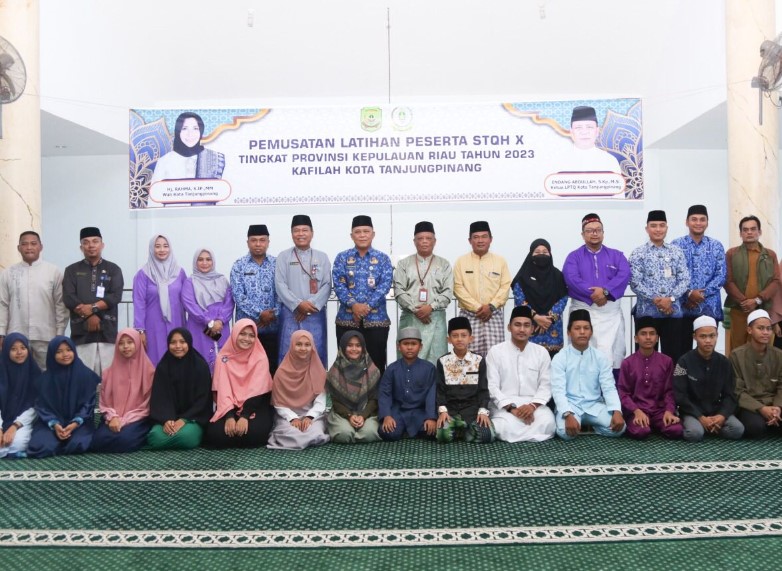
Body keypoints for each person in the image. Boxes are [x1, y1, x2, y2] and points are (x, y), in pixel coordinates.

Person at [563, 213, 631, 376]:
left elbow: (624, 275)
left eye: (598, 230)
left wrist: (605, 292)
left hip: (611, 313)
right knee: (581, 356)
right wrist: (595, 294)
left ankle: (612, 389)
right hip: (584, 311)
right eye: (589, 230)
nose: (594, 233)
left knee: (615, 353)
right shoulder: (573, 257)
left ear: (603, 233)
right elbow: (571, 278)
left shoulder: (617, 255)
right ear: (583, 234)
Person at [551, 309, 626, 441]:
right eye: (577, 328)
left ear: (591, 332)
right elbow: (558, 390)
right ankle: (582, 425)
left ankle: (591, 426)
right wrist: (567, 414)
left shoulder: (600, 357)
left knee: (620, 428)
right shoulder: (560, 358)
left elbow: (609, 387)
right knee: (564, 432)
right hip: (571, 406)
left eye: (586, 328)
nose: (582, 332)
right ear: (569, 332)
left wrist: (617, 411)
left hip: (594, 406)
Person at [333, 215, 394, 373]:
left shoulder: (383, 259)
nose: (362, 235)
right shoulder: (342, 258)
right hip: (347, 320)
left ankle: (376, 391)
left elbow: (385, 285)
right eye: (358, 232)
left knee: (376, 365)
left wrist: (365, 307)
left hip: (376, 321)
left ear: (373, 234)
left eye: (366, 231)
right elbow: (339, 284)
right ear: (351, 235)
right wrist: (353, 305)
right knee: (347, 366)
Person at [486, 307, 556, 442]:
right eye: (517, 325)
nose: (522, 329)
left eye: (526, 325)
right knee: (503, 425)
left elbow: (546, 385)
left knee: (548, 422)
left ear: (532, 329)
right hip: (505, 405)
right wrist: (512, 409)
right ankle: (529, 434)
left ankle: (518, 435)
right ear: (509, 327)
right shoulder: (496, 352)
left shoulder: (541, 352)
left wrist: (531, 406)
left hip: (533, 404)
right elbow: (492, 386)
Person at [0, 231, 69, 368]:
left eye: (33, 244)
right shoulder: (8, 273)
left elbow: (60, 305)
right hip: (16, 336)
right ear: (19, 248)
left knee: (46, 372)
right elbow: (3, 304)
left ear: (41, 247)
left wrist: (59, 333)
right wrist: (1, 333)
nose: (29, 247)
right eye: (24, 244)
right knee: (18, 374)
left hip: (46, 335)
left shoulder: (53, 271)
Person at [629, 210, 690, 363]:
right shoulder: (638, 253)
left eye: (662, 225)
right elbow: (635, 282)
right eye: (653, 225)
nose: (658, 229)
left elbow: (684, 279)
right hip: (647, 314)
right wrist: (656, 300)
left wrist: (670, 299)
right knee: (645, 358)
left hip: (672, 313)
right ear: (647, 229)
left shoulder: (676, 252)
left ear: (666, 228)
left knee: (674, 357)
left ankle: (674, 381)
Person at [62, 227, 125, 375]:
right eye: (86, 242)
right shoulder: (71, 270)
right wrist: (90, 315)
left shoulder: (113, 269)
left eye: (95, 241)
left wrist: (93, 308)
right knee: (83, 376)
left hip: (107, 332)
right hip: (81, 333)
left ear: (102, 245)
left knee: (109, 377)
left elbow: (115, 296)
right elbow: (69, 297)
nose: (91, 245)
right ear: (81, 247)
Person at [205, 319, 275, 449]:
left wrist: (245, 416)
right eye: (242, 334)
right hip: (228, 405)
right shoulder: (223, 358)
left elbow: (259, 391)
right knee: (215, 434)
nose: (246, 339)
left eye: (251, 335)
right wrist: (229, 416)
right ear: (235, 334)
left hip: (254, 405)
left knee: (255, 433)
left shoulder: (260, 357)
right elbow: (222, 390)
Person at [674, 316, 744, 442]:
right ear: (695, 337)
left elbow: (730, 394)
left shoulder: (724, 362)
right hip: (692, 411)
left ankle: (710, 426)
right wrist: (700, 417)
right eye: (703, 336)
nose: (708, 340)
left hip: (716, 410)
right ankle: (706, 427)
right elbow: (680, 395)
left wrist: (722, 415)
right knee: (694, 434)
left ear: (717, 336)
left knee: (737, 429)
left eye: (712, 336)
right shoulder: (684, 361)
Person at [27, 337, 99, 458]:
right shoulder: (44, 380)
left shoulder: (85, 375)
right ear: (52, 354)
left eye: (68, 350)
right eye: (59, 351)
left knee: (78, 444)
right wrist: (55, 424)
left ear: (74, 351)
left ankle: (60, 443)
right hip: (50, 424)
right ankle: (57, 441)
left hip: (79, 424)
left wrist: (75, 423)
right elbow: (41, 406)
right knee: (40, 446)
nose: (65, 354)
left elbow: (89, 404)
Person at [274, 215, 332, 367]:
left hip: (315, 313)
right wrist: (298, 304)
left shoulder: (322, 257)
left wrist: (310, 305)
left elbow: (327, 284)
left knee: (316, 350)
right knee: (288, 351)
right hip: (290, 313)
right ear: (291, 234)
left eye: (305, 230)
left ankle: (317, 383)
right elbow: (280, 284)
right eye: (296, 230)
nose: (301, 234)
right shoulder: (283, 256)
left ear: (312, 233)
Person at [393, 221, 453, 365]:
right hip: (410, 318)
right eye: (420, 238)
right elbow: (399, 290)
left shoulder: (444, 264)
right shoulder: (404, 264)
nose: (424, 241)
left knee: (436, 362)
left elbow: (448, 291)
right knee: (408, 361)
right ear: (414, 241)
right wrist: (416, 309)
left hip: (435, 318)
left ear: (434, 241)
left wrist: (430, 307)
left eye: (428, 238)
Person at [671, 205, 727, 359]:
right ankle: (681, 376)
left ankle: (708, 376)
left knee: (707, 351)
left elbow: (721, 275)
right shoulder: (676, 245)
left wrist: (700, 295)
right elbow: (672, 275)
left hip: (709, 307)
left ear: (707, 222)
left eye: (702, 219)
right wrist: (689, 294)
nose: (698, 223)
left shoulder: (716, 246)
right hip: (683, 307)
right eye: (694, 219)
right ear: (687, 222)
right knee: (681, 352)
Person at [617, 317, 682, 440]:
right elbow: (623, 393)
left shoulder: (666, 361)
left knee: (676, 430)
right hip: (637, 410)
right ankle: (647, 425)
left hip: (659, 411)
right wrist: (636, 411)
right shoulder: (627, 363)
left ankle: (656, 424)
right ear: (636, 338)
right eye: (643, 334)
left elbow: (669, 391)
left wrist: (669, 411)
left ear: (657, 338)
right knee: (641, 431)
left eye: (652, 334)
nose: (648, 337)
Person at [90, 329, 154, 453]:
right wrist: (113, 417)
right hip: (112, 419)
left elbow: (147, 405)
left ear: (137, 343)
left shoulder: (149, 372)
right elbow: (103, 402)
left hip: (138, 419)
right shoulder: (109, 373)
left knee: (125, 440)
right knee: (97, 441)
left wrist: (126, 420)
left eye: (130, 342)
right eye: (121, 343)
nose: (125, 347)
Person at [147, 328, 212, 450]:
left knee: (187, 437)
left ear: (189, 343)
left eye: (182, 342)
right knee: (155, 436)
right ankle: (174, 437)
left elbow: (203, 400)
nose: (178, 346)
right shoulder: (163, 367)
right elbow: (159, 399)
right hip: (168, 420)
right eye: (173, 342)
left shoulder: (200, 366)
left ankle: (175, 438)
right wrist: (166, 420)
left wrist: (184, 420)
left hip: (193, 419)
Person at [453, 221, 512, 357]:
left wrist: (490, 306)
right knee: (469, 357)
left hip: (493, 315)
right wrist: (478, 307)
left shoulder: (500, 261)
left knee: (496, 356)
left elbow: (505, 286)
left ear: (491, 239)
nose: (480, 240)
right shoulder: (461, 262)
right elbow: (457, 287)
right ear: (470, 240)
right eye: (476, 237)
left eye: (484, 236)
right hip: (469, 316)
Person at [724, 215, 780, 351]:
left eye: (753, 229)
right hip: (739, 309)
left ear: (759, 232)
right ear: (740, 233)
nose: (749, 232)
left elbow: (776, 281)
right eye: (745, 230)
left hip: (762, 309)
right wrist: (744, 302)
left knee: (761, 349)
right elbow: (727, 280)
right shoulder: (732, 254)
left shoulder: (770, 255)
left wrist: (757, 300)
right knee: (737, 349)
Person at [267, 330, 330, 450]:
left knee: (315, 431)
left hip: (312, 414)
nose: (303, 348)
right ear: (292, 345)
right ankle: (302, 439)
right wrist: (293, 418)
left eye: (307, 345)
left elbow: (320, 401)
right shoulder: (281, 372)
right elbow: (278, 403)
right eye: (299, 344)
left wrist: (310, 416)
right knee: (290, 432)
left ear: (312, 347)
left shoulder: (318, 370)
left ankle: (302, 439)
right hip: (287, 416)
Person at [230, 224, 280, 374]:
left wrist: (273, 314)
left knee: (271, 368)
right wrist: (260, 314)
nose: (258, 244)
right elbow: (238, 295)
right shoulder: (239, 265)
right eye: (254, 240)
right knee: (246, 370)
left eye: (262, 240)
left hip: (272, 327)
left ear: (268, 242)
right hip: (247, 330)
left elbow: (282, 292)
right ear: (248, 242)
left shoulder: (277, 264)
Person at [436, 317, 494, 444]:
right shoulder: (442, 361)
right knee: (442, 436)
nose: (459, 339)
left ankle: (464, 431)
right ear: (449, 339)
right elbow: (440, 390)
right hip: (451, 411)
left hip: (472, 411)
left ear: (470, 338)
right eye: (455, 336)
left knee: (487, 436)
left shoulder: (478, 360)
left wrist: (483, 411)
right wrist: (443, 411)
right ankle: (461, 430)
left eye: (463, 335)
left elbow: (483, 389)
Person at [133, 235, 187, 365]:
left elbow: (187, 298)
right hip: (153, 326)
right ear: (152, 249)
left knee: (178, 359)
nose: (162, 250)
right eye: (157, 246)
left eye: (165, 246)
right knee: (155, 360)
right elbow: (139, 302)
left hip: (177, 323)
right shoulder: (143, 274)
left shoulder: (180, 272)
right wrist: (140, 330)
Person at [511, 238, 569, 357]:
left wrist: (549, 319)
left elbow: (563, 298)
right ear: (531, 255)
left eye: (545, 252)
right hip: (530, 325)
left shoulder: (557, 276)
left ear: (550, 254)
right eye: (537, 252)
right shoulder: (522, 277)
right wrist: (535, 317)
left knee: (552, 364)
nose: (541, 255)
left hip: (552, 327)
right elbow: (519, 298)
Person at [729, 309, 782, 438]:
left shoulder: (778, 355)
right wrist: (761, 409)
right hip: (750, 406)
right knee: (755, 428)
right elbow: (737, 390)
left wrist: (777, 407)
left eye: (768, 329)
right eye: (761, 328)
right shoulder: (737, 355)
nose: (765, 332)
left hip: (774, 403)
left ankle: (773, 418)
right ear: (749, 330)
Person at [378, 327, 437, 441]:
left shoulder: (429, 368)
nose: (409, 347)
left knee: (432, 431)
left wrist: (431, 417)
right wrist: (387, 416)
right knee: (387, 432)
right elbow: (385, 393)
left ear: (420, 346)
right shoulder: (392, 369)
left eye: (413, 344)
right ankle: (405, 430)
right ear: (398, 346)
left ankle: (407, 430)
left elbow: (432, 395)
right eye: (405, 344)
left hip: (420, 412)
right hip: (398, 411)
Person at [181, 247, 234, 373]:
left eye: (208, 259)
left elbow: (229, 302)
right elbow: (189, 304)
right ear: (195, 262)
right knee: (200, 361)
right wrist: (208, 322)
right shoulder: (190, 282)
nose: (204, 263)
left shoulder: (222, 280)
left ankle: (220, 385)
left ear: (213, 261)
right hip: (199, 327)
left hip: (221, 327)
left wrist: (220, 320)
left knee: (223, 361)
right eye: (200, 260)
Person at [325, 330, 382, 444]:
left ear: (363, 348)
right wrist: (349, 416)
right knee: (344, 434)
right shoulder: (334, 371)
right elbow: (335, 402)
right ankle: (350, 431)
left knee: (369, 433)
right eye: (349, 345)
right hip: (342, 413)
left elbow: (374, 399)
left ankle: (356, 431)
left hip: (367, 412)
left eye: (358, 345)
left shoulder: (373, 370)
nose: (354, 349)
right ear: (343, 347)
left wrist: (363, 416)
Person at [150, 111, 225, 182]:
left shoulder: (216, 159)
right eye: (184, 128)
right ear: (178, 131)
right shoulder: (164, 161)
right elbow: (156, 190)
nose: (190, 134)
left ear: (201, 131)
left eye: (195, 128)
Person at [0, 333, 41, 458]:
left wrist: (15, 426)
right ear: (6, 351)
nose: (19, 352)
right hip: (1, 419)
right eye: (13, 349)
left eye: (23, 348)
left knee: (18, 443)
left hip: (21, 421)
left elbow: (35, 405)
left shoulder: (34, 372)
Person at [559, 105, 621, 173]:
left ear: (597, 131)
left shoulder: (609, 161)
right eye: (578, 127)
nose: (584, 132)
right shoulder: (560, 160)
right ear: (571, 132)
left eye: (589, 127)